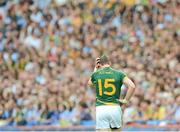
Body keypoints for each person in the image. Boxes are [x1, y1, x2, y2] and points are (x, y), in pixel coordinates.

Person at [88, 55, 135, 131]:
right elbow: (132, 86)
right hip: (115, 108)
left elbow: (90, 84)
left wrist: (96, 69)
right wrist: (126, 100)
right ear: (110, 62)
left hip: (101, 108)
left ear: (100, 64)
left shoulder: (96, 74)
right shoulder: (119, 74)